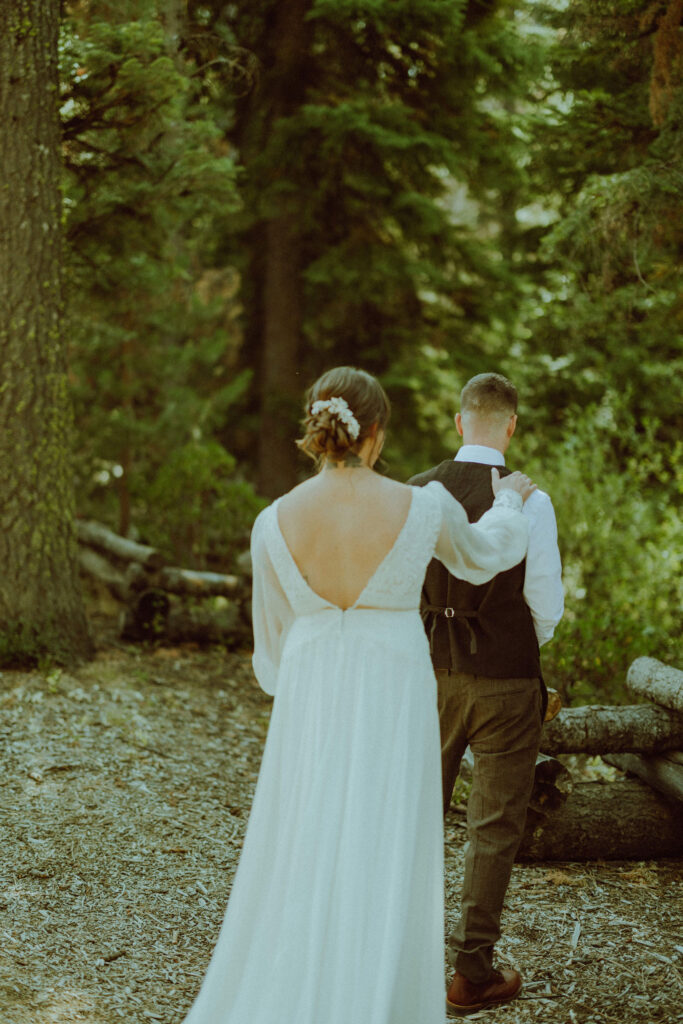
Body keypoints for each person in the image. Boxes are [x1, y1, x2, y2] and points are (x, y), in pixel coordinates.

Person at [181, 366, 537, 1024]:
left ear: (320, 432)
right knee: (389, 846)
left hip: (311, 702)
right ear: (375, 433)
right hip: (395, 697)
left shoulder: (270, 523)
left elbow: (270, 656)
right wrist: (510, 499)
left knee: (308, 842)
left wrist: (318, 678)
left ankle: (305, 986)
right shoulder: (421, 506)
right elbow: (486, 555)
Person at [409, 371, 564, 1017]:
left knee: (414, 819)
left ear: (457, 421)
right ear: (511, 425)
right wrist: (515, 648)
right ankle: (470, 973)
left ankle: (399, 954)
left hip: (427, 678)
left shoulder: (414, 491)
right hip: (504, 681)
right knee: (492, 831)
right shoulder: (529, 499)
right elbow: (545, 605)